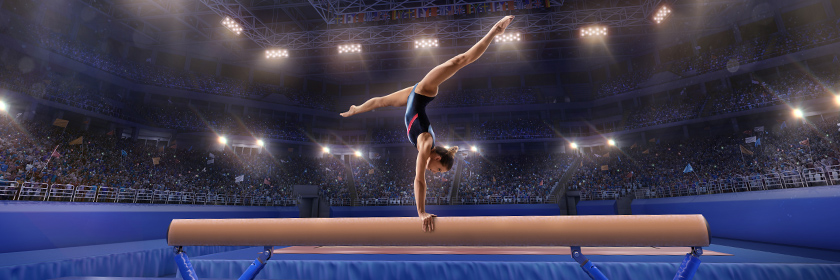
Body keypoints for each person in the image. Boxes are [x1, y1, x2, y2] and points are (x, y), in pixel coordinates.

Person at [341, 16, 516, 232]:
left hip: (414, 95)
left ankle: (358, 107)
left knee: (382, 101)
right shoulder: (425, 144)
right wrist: (421, 212)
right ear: (437, 157)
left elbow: (379, 102)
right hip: (425, 90)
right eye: (440, 170)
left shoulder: (428, 148)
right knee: (460, 60)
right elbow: (419, 180)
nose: (436, 173)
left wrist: (357, 109)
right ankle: (494, 32)